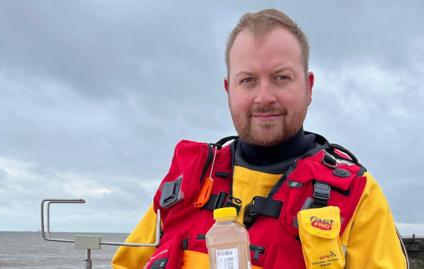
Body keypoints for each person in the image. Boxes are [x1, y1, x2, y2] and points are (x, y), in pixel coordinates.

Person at [112, 9, 408, 269]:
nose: (264, 97)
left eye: (281, 77)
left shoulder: (358, 196)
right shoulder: (185, 184)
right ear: (229, 89)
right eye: (248, 80)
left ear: (308, 87)